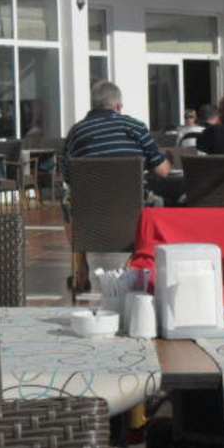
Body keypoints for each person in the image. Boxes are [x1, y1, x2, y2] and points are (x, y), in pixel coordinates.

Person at [62, 80, 180, 292]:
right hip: (130, 213)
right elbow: (163, 171)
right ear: (117, 106)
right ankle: (136, 263)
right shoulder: (135, 127)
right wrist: (166, 160)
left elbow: (68, 177)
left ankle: (80, 268)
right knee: (158, 203)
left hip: (90, 217)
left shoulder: (75, 132)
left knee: (66, 205)